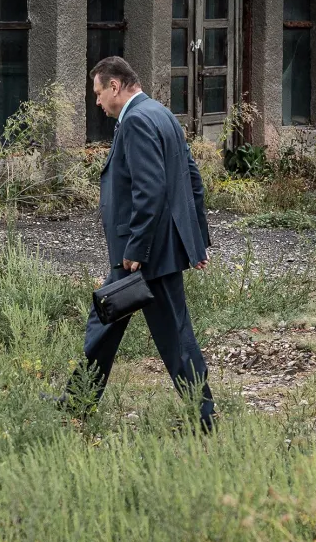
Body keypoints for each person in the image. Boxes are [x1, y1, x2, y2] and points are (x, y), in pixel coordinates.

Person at [68, 55, 215, 430]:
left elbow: (150, 190)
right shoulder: (161, 113)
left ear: (115, 86)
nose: (98, 103)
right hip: (151, 248)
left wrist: (136, 249)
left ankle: (204, 417)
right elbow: (192, 179)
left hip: (147, 255)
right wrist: (195, 242)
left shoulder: (135, 121)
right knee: (104, 320)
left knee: (176, 338)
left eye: (99, 93)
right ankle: (76, 403)